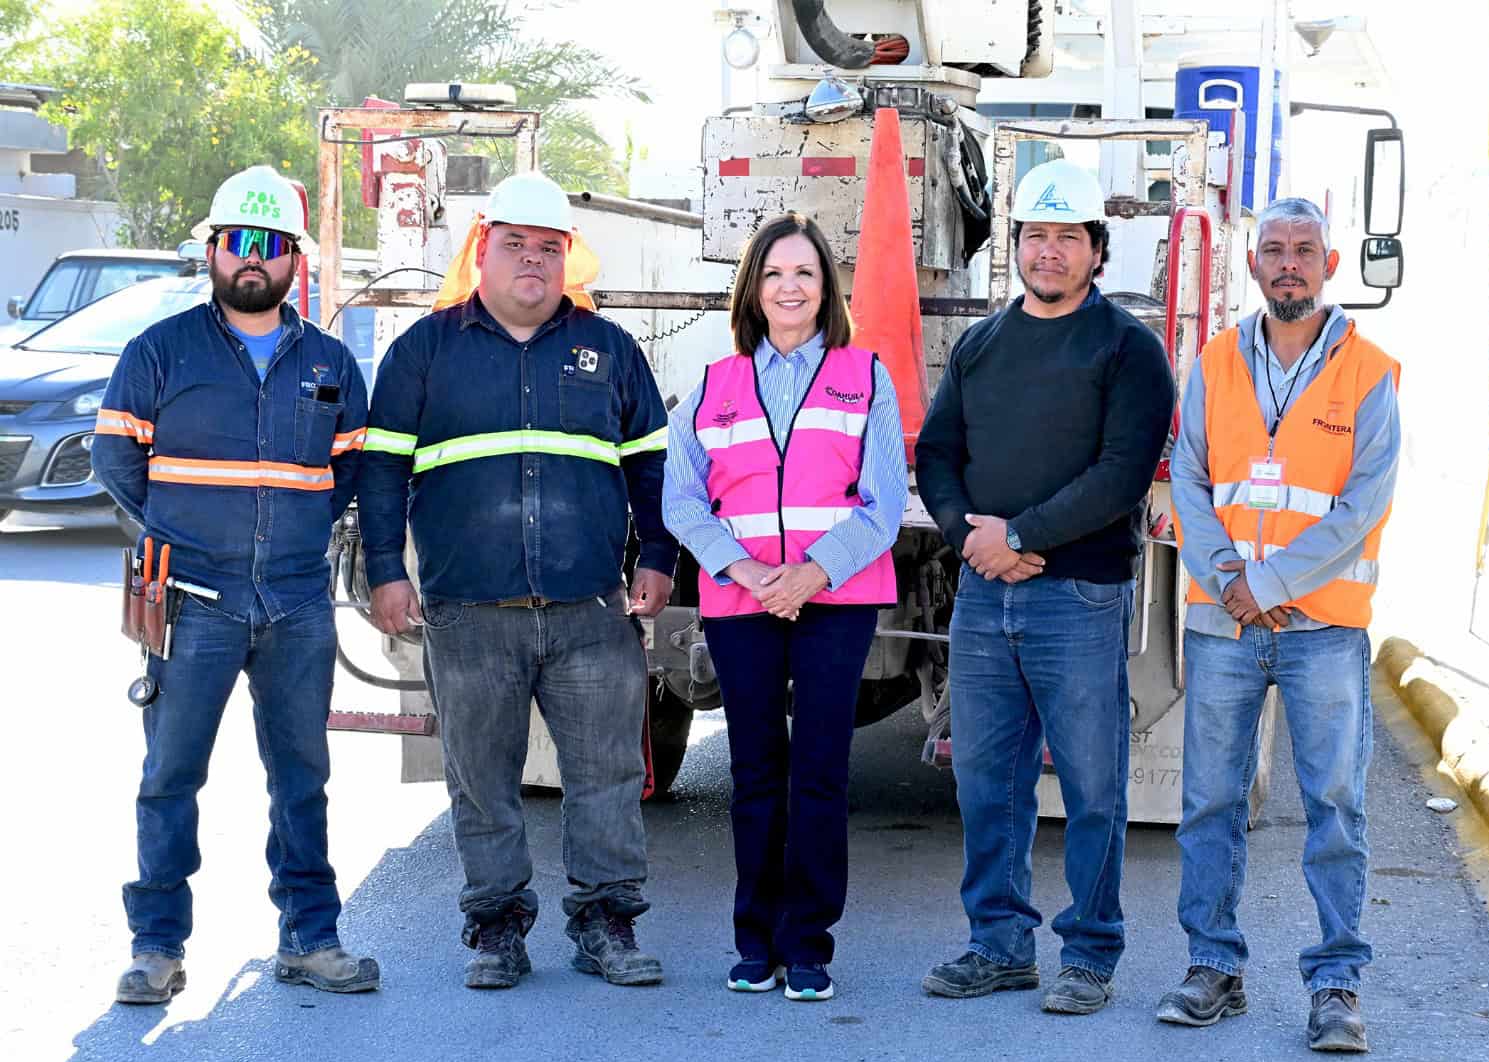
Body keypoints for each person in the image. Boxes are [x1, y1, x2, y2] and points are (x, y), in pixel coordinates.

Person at [357, 171, 674, 991]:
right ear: (482, 251)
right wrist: (385, 573)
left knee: (606, 778)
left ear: (568, 258)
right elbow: (382, 475)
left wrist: (659, 556)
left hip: (590, 611)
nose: (532, 261)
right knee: (480, 780)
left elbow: (652, 467)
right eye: (515, 245)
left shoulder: (609, 351)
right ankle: (496, 929)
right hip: (469, 613)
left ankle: (607, 924)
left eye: (548, 247)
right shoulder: (424, 352)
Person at [92, 166, 378, 1004]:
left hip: (295, 602)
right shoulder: (159, 351)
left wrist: (296, 534)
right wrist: (179, 538)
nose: (252, 260)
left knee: (301, 779)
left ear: (296, 260)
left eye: (271, 245)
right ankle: (156, 948)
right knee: (170, 778)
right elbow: (117, 458)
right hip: (192, 603)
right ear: (211, 251)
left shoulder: (327, 360)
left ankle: (311, 939)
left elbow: (353, 466)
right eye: (238, 243)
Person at [915, 159, 1174, 1014]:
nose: (1050, 251)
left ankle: (1091, 953)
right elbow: (937, 454)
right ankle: (999, 944)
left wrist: (1019, 535)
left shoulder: (1129, 350)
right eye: (1036, 235)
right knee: (987, 780)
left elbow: (1121, 472)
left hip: (1080, 596)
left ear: (1097, 250)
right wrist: (969, 536)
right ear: (1016, 247)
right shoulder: (983, 344)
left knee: (1095, 786)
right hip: (985, 596)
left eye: (1068, 237)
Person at [1161, 197, 1400, 1054]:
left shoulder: (1370, 372)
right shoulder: (1215, 363)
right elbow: (1190, 478)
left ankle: (1336, 984)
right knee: (1210, 804)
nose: (1289, 262)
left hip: (1322, 627)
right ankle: (1212, 969)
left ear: (1329, 266)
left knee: (1335, 806)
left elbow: (1360, 504)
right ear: (1254, 266)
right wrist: (1230, 579)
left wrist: (1264, 584)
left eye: (1305, 249)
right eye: (1274, 249)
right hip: (1225, 623)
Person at [663, 212, 906, 1003]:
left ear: (825, 288)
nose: (790, 287)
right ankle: (754, 940)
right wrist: (745, 569)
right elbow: (682, 501)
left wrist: (809, 574)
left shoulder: (865, 376)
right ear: (753, 290)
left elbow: (884, 504)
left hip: (835, 600)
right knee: (756, 772)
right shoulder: (713, 384)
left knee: (822, 774)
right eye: (774, 274)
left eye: (804, 273)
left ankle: (808, 945)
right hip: (742, 599)